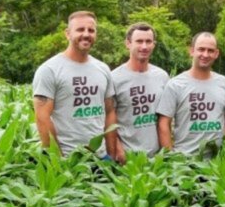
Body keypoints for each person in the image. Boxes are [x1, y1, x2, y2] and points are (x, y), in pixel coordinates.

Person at [32, 10, 114, 155]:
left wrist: (111, 152)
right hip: (68, 158)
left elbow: (109, 111)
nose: (86, 34)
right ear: (67, 33)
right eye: (80, 29)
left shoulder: (103, 69)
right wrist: (58, 160)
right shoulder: (50, 70)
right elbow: (42, 118)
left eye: (91, 30)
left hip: (101, 158)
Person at [156, 32, 225, 157]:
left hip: (216, 164)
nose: (205, 54)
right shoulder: (175, 84)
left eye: (210, 50)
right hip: (185, 161)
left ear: (216, 54)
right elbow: (163, 124)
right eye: (201, 49)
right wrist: (170, 158)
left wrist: (224, 147)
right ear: (191, 51)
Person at [106, 22, 169, 162]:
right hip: (127, 156)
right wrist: (118, 150)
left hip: (156, 157)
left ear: (154, 44)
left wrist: (166, 152)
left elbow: (165, 118)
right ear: (128, 43)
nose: (144, 46)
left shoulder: (162, 76)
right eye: (139, 41)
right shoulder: (114, 78)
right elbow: (108, 118)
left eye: (148, 41)